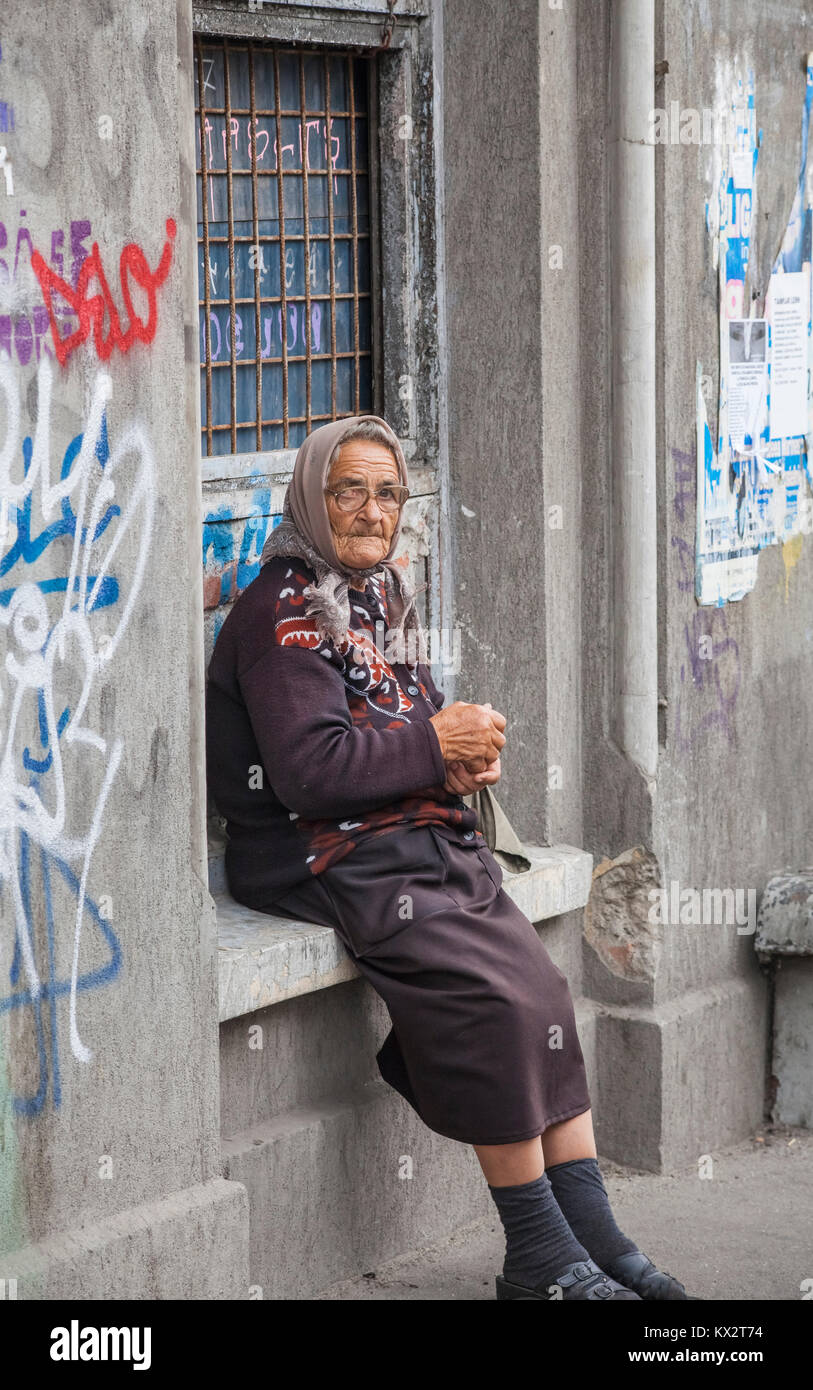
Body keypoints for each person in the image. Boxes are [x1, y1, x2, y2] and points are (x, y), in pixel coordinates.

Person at [205, 414, 696, 1302]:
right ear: (311, 499)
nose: (370, 510)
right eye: (347, 490)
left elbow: (415, 709)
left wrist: (464, 753)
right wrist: (437, 746)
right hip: (318, 851)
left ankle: (593, 1234)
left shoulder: (378, 593)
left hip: (407, 833)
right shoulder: (283, 612)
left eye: (387, 492)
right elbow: (310, 771)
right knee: (488, 1005)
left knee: (540, 992)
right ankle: (540, 1256)